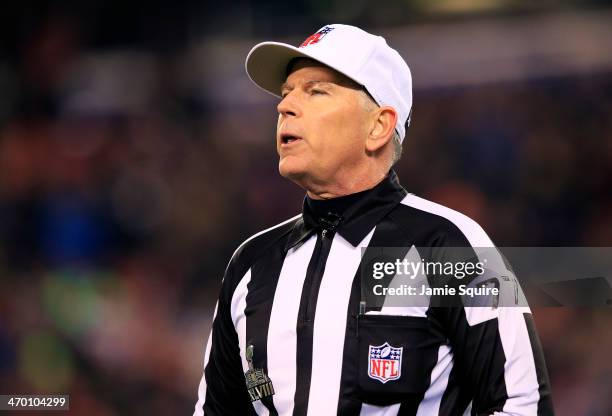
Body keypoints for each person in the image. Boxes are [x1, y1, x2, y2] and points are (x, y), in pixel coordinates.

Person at [194, 24, 553, 416]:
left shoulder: (451, 244)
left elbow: (522, 405)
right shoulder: (251, 263)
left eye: (315, 91)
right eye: (286, 94)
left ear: (378, 126)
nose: (285, 106)